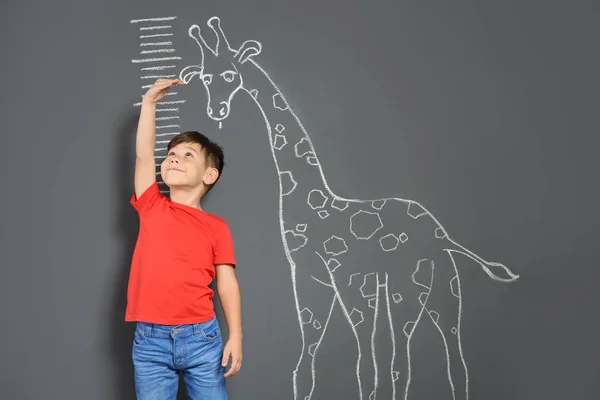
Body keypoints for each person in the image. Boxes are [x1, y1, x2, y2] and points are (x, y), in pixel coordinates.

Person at [125, 78, 242, 399]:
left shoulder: (217, 227)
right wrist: (150, 104)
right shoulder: (151, 205)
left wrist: (236, 336)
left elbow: (227, 284)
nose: (174, 158)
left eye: (188, 155)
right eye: (172, 153)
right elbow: (144, 156)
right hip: (150, 340)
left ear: (209, 175)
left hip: (203, 338)